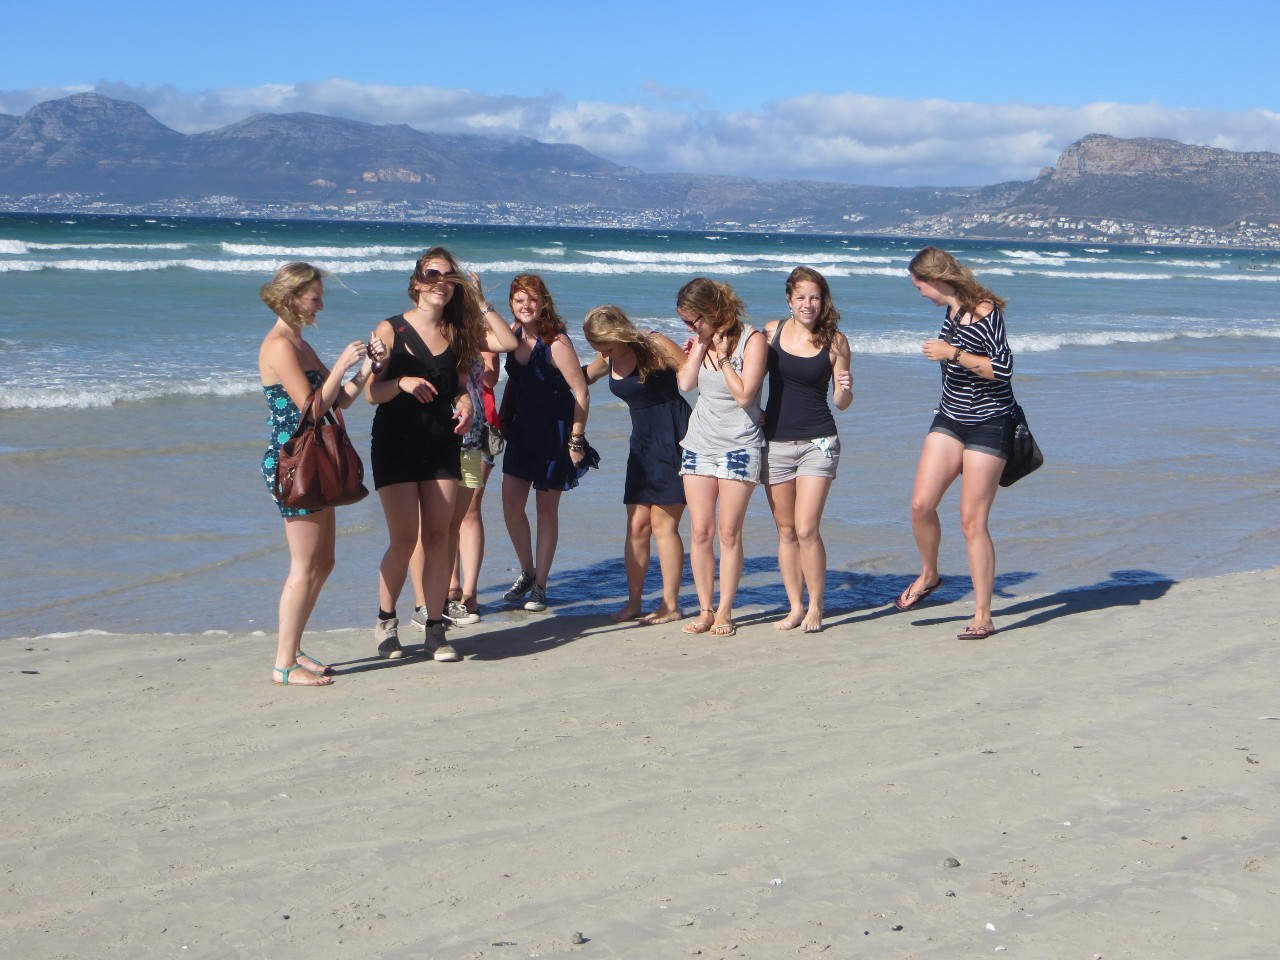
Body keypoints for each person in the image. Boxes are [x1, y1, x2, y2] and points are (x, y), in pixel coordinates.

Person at [258, 262, 380, 686]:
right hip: (293, 463)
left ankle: (293, 651)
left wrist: (366, 369)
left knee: (324, 562)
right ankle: (283, 664)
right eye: (314, 298)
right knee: (304, 564)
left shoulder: (301, 344)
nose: (321, 306)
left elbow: (339, 401)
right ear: (292, 298)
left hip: (314, 460)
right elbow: (310, 409)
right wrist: (342, 363)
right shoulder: (279, 346)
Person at [366, 247, 490, 663]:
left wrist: (466, 403)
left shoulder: (457, 333)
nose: (441, 283)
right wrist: (401, 382)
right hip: (395, 444)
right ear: (417, 282)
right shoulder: (390, 329)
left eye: (449, 277)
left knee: (438, 536)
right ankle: (386, 620)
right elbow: (372, 393)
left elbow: (460, 387)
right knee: (404, 540)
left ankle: (436, 629)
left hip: (443, 443)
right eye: (433, 275)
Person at [897, 245, 1017, 640]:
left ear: (935, 279)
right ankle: (930, 575)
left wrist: (953, 353)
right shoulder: (951, 311)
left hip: (990, 422)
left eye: (919, 286)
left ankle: (983, 615)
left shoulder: (984, 310)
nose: (920, 293)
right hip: (950, 417)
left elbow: (1003, 368)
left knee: (971, 521)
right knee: (921, 504)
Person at [409, 273, 517, 631]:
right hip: (434, 438)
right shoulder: (423, 331)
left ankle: (462, 593)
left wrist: (481, 300)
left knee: (464, 515)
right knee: (430, 521)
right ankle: (431, 600)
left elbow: (506, 348)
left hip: (473, 436)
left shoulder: (470, 333)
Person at [583, 305, 692, 625]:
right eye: (596, 346)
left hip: (674, 436)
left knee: (663, 525)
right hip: (642, 444)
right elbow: (583, 376)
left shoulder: (654, 344)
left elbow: (693, 375)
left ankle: (671, 605)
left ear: (618, 334)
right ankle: (633, 603)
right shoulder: (607, 356)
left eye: (604, 345)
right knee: (636, 526)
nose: (601, 352)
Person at [761, 267, 854, 633]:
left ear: (823, 300)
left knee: (806, 528)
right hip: (776, 443)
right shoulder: (771, 332)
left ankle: (816, 605)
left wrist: (844, 389)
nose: (808, 304)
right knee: (786, 530)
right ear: (789, 300)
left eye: (814, 297)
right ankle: (795, 607)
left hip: (819, 442)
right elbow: (749, 378)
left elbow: (842, 402)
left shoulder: (836, 341)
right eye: (800, 297)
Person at [675, 277, 767, 637]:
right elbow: (685, 384)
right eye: (685, 321)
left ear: (712, 311)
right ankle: (705, 609)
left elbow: (745, 396)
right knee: (700, 531)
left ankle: (726, 609)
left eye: (693, 320)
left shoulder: (752, 340)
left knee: (728, 533)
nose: (689, 327)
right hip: (699, 443)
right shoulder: (700, 340)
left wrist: (725, 357)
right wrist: (700, 345)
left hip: (739, 444)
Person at [498, 274, 591, 613]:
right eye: (520, 300)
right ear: (511, 303)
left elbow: (581, 391)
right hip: (522, 432)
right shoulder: (511, 334)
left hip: (555, 433)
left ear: (543, 303)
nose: (526, 306)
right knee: (511, 506)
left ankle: (540, 586)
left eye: (533, 300)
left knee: (545, 511)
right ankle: (527, 571)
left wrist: (576, 439)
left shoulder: (556, 342)